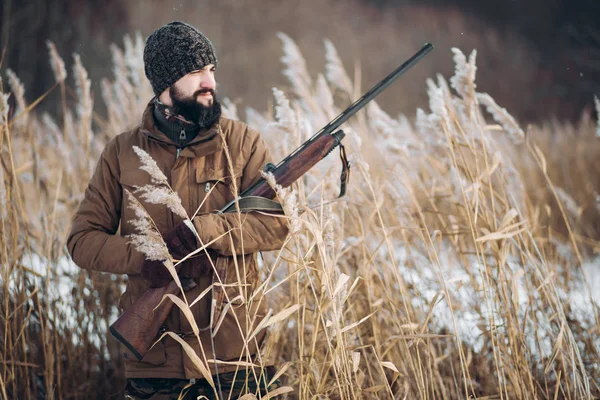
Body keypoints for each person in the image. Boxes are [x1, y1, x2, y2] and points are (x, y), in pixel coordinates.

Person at [67, 21, 289, 399]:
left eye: (212, 70)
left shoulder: (243, 143)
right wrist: (148, 258)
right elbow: (82, 242)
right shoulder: (122, 153)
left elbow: (274, 225)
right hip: (157, 361)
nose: (210, 83)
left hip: (234, 356)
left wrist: (204, 232)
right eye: (195, 72)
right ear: (165, 83)